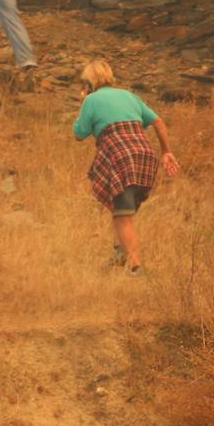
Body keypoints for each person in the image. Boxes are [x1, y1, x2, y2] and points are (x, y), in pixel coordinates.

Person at [73, 59, 178, 275]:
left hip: (119, 157)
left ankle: (136, 266)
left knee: (122, 216)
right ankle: (119, 252)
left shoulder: (91, 100)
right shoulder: (129, 95)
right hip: (144, 156)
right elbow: (158, 121)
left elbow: (79, 134)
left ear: (89, 82)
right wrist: (167, 151)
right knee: (122, 209)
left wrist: (82, 103)